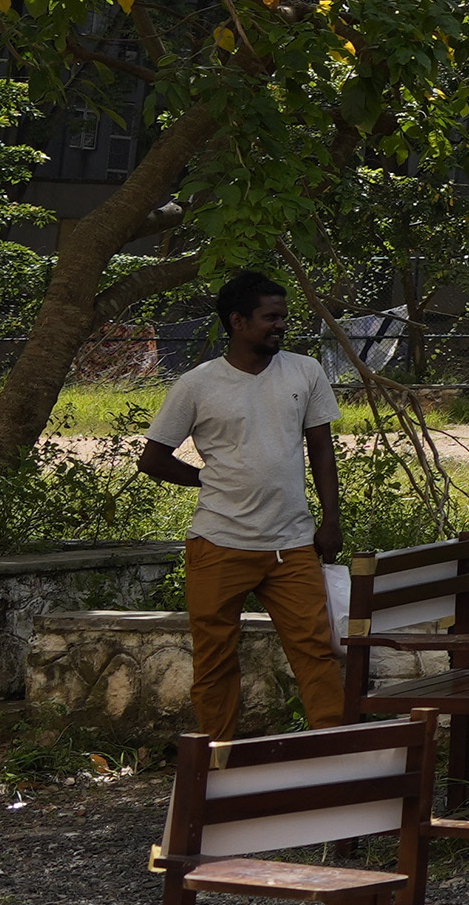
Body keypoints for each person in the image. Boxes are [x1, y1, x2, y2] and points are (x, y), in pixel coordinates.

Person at [138, 272, 349, 743]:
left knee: (316, 652)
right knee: (214, 659)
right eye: (269, 317)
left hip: (293, 545)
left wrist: (330, 520)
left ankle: (336, 755)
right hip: (219, 544)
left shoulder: (305, 371)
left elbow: (321, 450)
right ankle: (219, 762)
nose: (280, 326)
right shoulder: (197, 385)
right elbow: (152, 459)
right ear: (237, 321)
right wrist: (208, 478)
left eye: (283, 317)